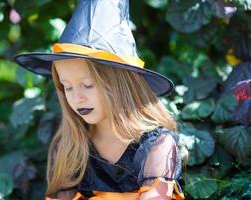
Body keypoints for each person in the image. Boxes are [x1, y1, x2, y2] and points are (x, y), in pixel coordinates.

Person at [14, 0, 185, 199]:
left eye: (87, 85)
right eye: (67, 87)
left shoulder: (157, 146)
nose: (77, 98)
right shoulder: (71, 148)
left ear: (120, 84)